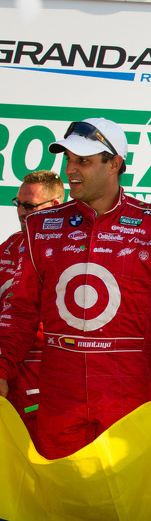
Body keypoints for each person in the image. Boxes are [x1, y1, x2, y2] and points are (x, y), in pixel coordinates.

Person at [0, 117, 151, 459]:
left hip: (127, 388)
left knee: (127, 501)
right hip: (59, 390)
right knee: (61, 497)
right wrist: (1, 366)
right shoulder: (40, 226)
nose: (71, 170)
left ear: (115, 163)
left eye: (84, 161)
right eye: (68, 160)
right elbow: (18, 311)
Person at [0, 171, 64, 439]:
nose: (22, 212)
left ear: (56, 205)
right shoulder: (9, 246)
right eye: (18, 203)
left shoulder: (70, 248)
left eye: (30, 205)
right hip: (8, 363)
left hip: (48, 372)